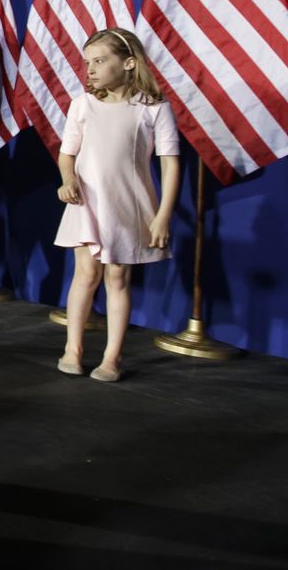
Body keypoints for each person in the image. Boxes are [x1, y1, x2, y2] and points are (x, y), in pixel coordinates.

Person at [54, 28, 180, 383]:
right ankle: (72, 349)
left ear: (128, 63)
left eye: (100, 61)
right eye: (88, 63)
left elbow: (170, 163)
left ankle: (112, 357)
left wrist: (162, 216)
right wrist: (68, 180)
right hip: (87, 202)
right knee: (86, 273)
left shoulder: (153, 108)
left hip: (129, 204)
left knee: (117, 276)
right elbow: (68, 155)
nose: (90, 69)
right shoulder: (82, 104)